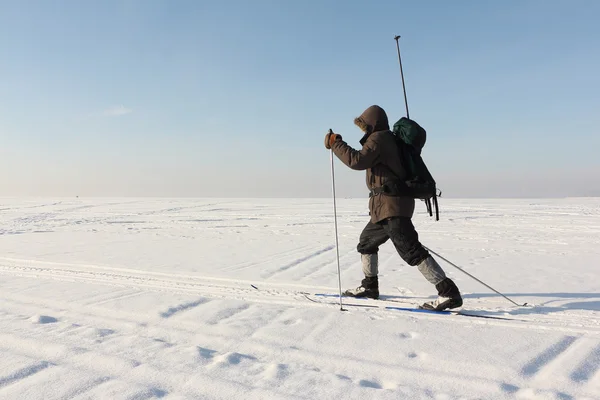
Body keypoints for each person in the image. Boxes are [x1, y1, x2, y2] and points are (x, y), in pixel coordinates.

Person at [324, 105, 463, 311]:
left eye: (364, 125)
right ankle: (370, 287)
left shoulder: (379, 138)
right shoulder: (386, 139)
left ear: (372, 123)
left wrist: (337, 143)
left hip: (392, 206)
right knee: (366, 243)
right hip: (385, 207)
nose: (363, 129)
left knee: (411, 250)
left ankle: (448, 292)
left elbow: (357, 160)